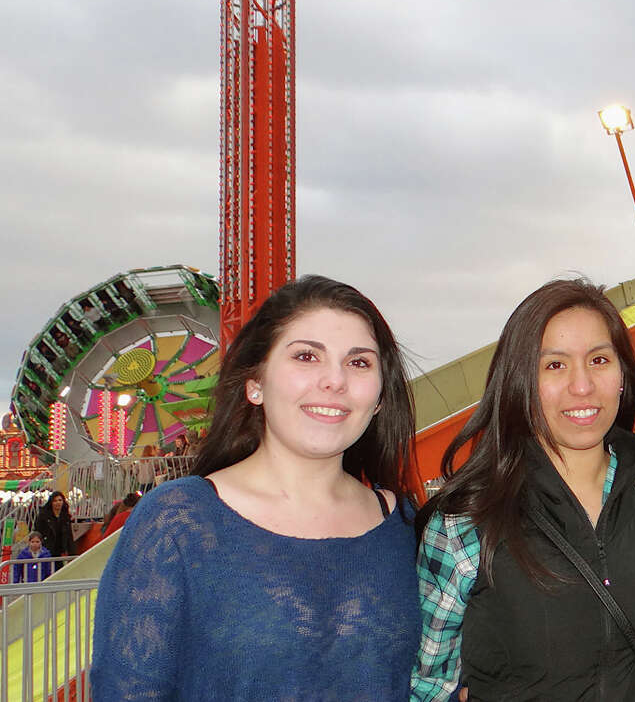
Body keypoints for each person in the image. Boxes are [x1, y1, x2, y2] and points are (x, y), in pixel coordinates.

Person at [91, 275, 421, 700]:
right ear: (255, 383)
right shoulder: (179, 524)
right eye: (306, 356)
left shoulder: (406, 525)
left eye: (359, 363)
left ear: (378, 398)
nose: (334, 381)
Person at [412, 279, 635, 701]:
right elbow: (428, 685)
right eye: (554, 365)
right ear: (520, 382)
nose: (582, 386)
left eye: (600, 360)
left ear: (622, 374)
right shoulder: (467, 522)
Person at [34, 490, 75, 570]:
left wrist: (72, 553)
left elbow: (69, 535)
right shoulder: (43, 516)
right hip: (46, 550)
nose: (58, 503)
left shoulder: (65, 516)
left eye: (60, 500)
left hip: (60, 551)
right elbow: (38, 532)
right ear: (51, 502)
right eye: (55, 501)